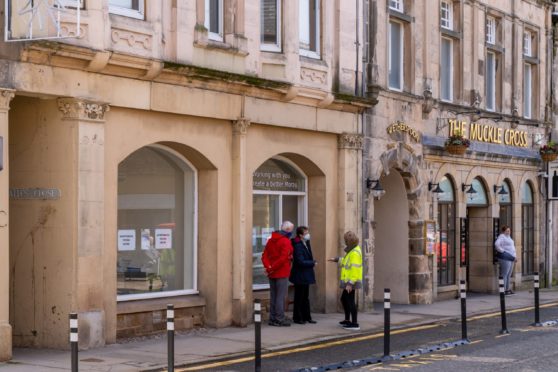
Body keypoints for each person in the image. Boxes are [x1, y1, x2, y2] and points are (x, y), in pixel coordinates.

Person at [328, 231, 363, 331]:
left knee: (350, 301)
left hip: (351, 282)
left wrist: (350, 283)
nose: (345, 242)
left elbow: (355, 269)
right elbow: (346, 261)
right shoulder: (352, 251)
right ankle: (347, 320)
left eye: (346, 240)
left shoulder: (355, 252)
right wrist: (336, 259)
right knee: (344, 299)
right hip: (349, 282)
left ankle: (355, 323)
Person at [262, 221, 294, 326]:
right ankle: (279, 318)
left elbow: (264, 255)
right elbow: (283, 258)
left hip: (272, 272)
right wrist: (272, 268)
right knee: (280, 296)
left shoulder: (271, 240)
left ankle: (272, 318)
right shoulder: (285, 241)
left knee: (273, 296)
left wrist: (269, 267)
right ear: (288, 230)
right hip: (281, 272)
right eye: (291, 229)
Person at [289, 226, 317, 325]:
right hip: (300, 275)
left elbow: (309, 256)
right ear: (300, 235)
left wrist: (311, 262)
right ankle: (298, 317)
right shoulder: (297, 245)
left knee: (305, 297)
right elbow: (300, 261)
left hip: (306, 274)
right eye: (306, 233)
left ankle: (307, 317)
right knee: (299, 297)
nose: (308, 235)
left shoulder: (305, 243)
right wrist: (312, 263)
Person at [494, 225, 516, 295]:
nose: (508, 232)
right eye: (507, 231)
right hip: (505, 258)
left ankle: (507, 289)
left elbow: (512, 247)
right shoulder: (501, 237)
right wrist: (503, 251)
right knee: (504, 274)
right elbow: (496, 245)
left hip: (511, 257)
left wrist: (515, 256)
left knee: (509, 274)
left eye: (509, 231)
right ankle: (503, 290)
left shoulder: (509, 237)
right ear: (503, 231)